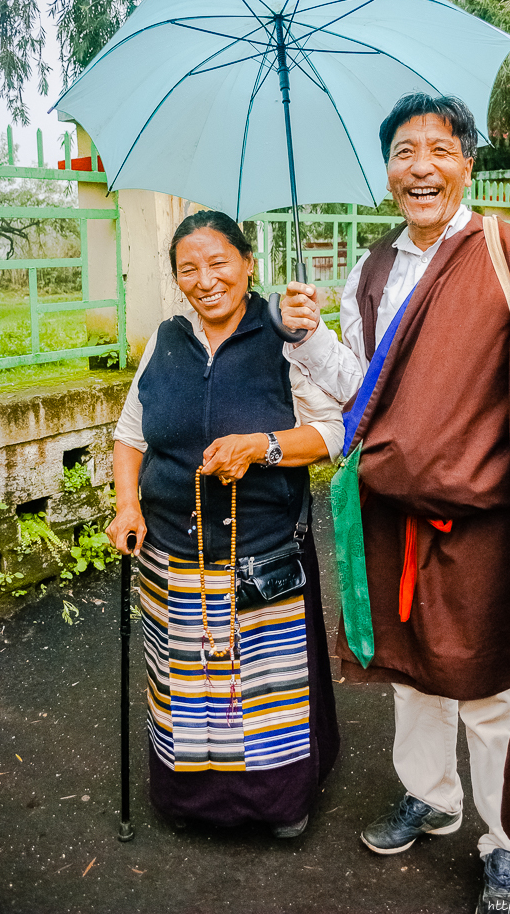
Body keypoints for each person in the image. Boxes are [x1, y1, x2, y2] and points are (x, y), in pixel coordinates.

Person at [280, 93, 510, 909]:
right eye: (404, 151)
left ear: (466, 165)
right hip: (393, 510)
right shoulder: (372, 267)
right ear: (387, 173)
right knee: (413, 675)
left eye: (439, 148)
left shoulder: (502, 250)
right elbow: (364, 396)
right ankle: (432, 798)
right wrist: (310, 340)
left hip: (483, 515)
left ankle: (505, 840)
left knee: (486, 684)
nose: (421, 165)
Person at [107, 209, 342, 837]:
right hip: (171, 555)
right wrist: (126, 504)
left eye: (219, 263)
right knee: (185, 685)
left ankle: (274, 806)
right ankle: (189, 803)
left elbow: (332, 433)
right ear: (178, 279)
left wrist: (259, 446)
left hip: (258, 552)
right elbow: (130, 436)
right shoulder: (166, 339)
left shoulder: (285, 337)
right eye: (189, 269)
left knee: (264, 694)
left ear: (247, 264)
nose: (206, 280)